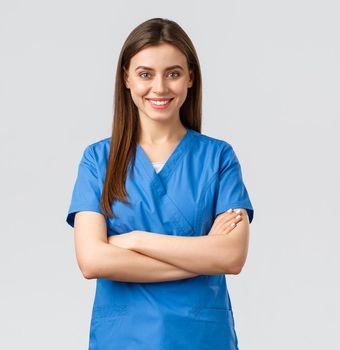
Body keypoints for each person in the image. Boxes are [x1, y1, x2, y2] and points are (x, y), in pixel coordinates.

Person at [65, 18, 254, 349]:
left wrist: (133, 240)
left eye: (173, 73)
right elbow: (93, 260)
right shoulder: (98, 161)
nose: (160, 87)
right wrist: (199, 255)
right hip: (123, 339)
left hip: (201, 338)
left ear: (190, 78)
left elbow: (231, 256)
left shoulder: (218, 158)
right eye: (145, 74)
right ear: (126, 77)